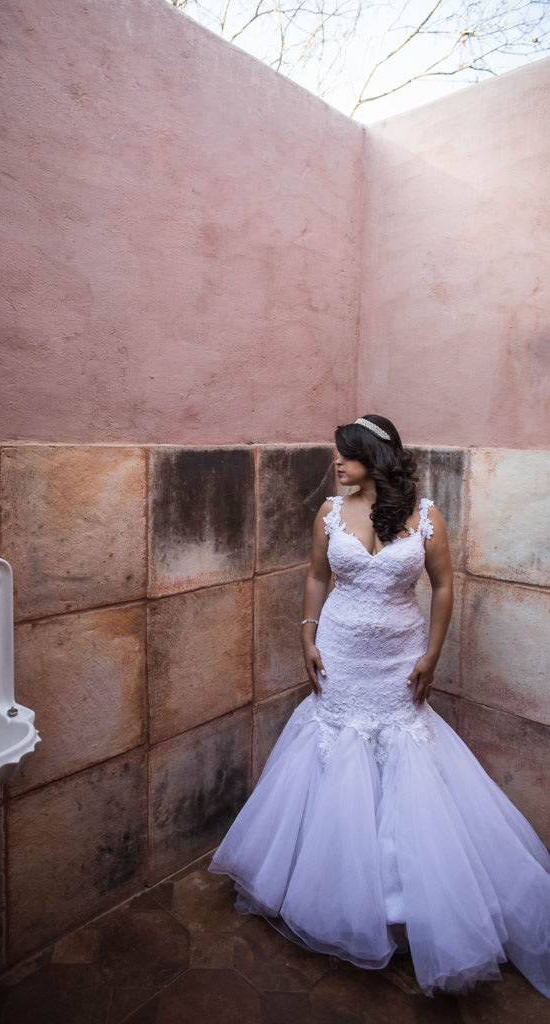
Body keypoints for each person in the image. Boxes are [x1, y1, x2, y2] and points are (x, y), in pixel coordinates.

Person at [210, 414, 550, 997]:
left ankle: (398, 903)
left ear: (374, 455)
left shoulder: (426, 515)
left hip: (399, 660)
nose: (336, 463)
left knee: (403, 764)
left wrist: (432, 656)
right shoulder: (330, 513)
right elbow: (317, 577)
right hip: (339, 656)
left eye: (346, 454)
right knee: (333, 755)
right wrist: (307, 635)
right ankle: (336, 892)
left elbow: (443, 586)